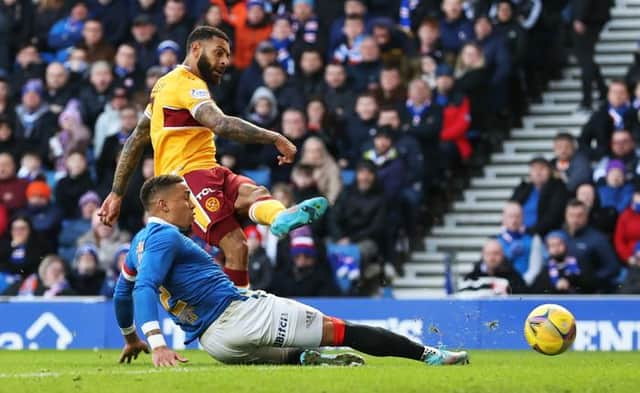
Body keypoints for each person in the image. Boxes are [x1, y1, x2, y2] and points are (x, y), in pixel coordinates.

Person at [113, 175, 469, 367]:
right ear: (162, 205)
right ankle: (430, 355)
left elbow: (122, 291)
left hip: (217, 345)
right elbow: (144, 287)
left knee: (293, 355)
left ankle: (310, 360)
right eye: (184, 200)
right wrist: (157, 345)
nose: (192, 205)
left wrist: (132, 337)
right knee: (342, 330)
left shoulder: (139, 243)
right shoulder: (163, 236)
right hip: (238, 317)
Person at [98, 26, 329, 288]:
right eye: (219, 52)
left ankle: (278, 218)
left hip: (210, 170)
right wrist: (275, 137)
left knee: (255, 198)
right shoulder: (188, 85)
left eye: (228, 55)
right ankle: (234, 315)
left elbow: (135, 140)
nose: (224, 61)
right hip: (185, 182)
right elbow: (220, 124)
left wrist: (116, 193)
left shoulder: (164, 86)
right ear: (195, 49)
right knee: (234, 245)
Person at [457, 239, 527, 297]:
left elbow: (522, 300)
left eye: (496, 253)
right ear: (483, 255)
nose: (492, 258)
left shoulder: (515, 278)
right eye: (488, 254)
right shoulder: (471, 278)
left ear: (502, 255)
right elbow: (463, 300)